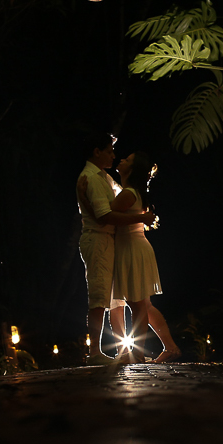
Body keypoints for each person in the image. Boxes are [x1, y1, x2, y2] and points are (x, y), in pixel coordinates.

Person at [76, 131, 155, 366]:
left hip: (112, 241)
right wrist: (142, 219)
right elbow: (104, 216)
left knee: (119, 299)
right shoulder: (92, 177)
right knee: (101, 296)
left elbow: (116, 204)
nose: (114, 155)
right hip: (100, 239)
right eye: (109, 151)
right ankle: (96, 353)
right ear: (96, 152)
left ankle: (124, 350)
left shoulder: (103, 177)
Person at [109, 151, 182, 363]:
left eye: (127, 160)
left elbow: (107, 217)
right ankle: (170, 347)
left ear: (132, 170)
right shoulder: (135, 192)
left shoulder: (129, 193)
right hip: (137, 246)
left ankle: (138, 354)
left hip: (131, 248)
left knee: (137, 305)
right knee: (144, 305)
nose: (121, 160)